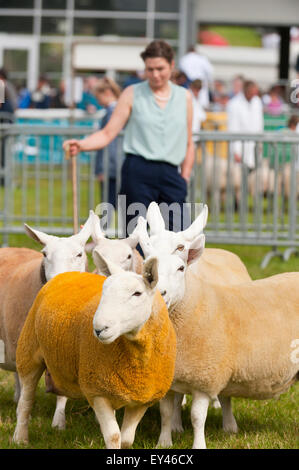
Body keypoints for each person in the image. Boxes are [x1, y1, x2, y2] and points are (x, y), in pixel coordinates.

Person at [63, 40, 194, 236]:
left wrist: (184, 177)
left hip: (171, 174)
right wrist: (81, 144)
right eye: (150, 69)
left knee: (179, 237)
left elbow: (189, 142)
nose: (155, 74)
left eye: (160, 68)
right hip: (137, 172)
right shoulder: (131, 93)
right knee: (135, 238)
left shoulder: (185, 97)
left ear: (171, 65)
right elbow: (108, 133)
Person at [94, 77, 123, 228]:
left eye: (98, 97)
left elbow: (109, 142)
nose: (97, 101)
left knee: (108, 203)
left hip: (112, 167)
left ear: (106, 92)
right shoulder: (116, 110)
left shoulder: (112, 112)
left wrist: (103, 167)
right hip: (116, 166)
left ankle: (102, 234)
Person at [227, 80, 264, 170]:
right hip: (240, 145)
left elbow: (260, 123)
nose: (254, 94)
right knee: (238, 176)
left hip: (254, 144)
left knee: (254, 175)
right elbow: (233, 127)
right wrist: (236, 151)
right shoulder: (234, 104)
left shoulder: (257, 101)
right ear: (246, 91)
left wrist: (260, 143)